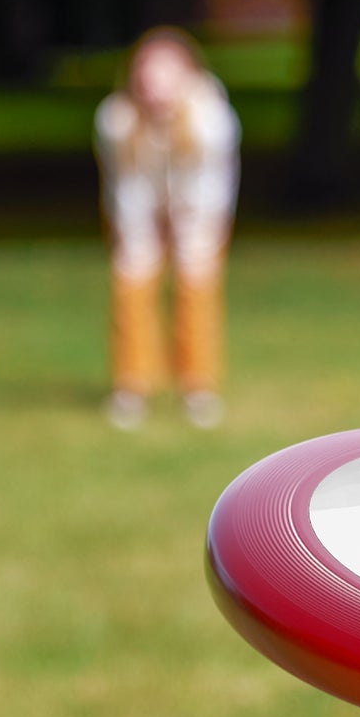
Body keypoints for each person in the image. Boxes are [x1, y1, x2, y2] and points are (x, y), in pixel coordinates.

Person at [94, 27, 241, 430]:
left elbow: (211, 186)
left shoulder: (211, 119)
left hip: (199, 211)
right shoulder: (116, 119)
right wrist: (141, 235)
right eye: (147, 76)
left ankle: (198, 387)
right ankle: (131, 386)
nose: (155, 87)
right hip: (138, 210)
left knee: (196, 287)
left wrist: (188, 230)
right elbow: (125, 186)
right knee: (131, 283)